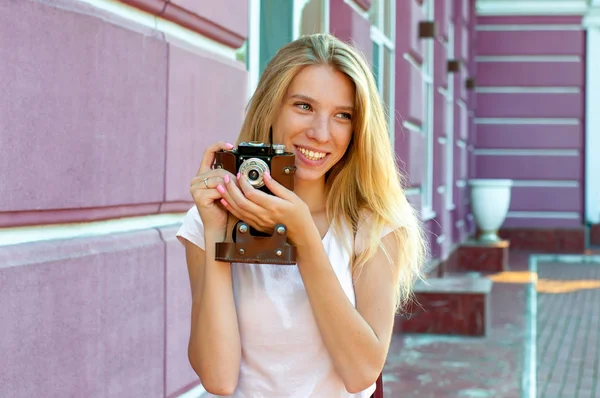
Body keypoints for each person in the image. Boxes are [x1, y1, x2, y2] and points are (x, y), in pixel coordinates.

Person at [176, 33, 427, 397]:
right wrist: (217, 233)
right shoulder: (210, 216)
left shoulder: (374, 224)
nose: (320, 133)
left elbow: (361, 374)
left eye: (343, 115)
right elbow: (218, 379)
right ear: (272, 106)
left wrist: (305, 237)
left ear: (358, 129)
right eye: (304, 106)